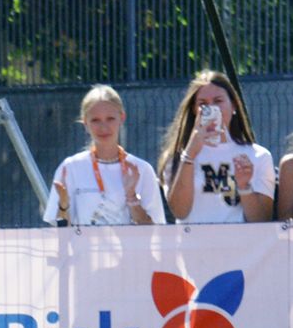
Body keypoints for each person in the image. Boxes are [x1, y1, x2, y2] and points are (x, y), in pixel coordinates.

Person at [158, 70, 274, 224]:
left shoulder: (258, 156)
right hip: (193, 245)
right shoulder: (177, 157)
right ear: (194, 110)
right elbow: (180, 212)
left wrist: (245, 187)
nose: (212, 109)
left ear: (234, 106)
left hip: (241, 245)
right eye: (203, 104)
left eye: (218, 101)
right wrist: (190, 154)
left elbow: (261, 219)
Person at [44, 85, 165, 227]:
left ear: (122, 118)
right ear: (85, 123)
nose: (103, 127)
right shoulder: (70, 168)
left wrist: (132, 198)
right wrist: (63, 206)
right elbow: (61, 231)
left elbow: (155, 231)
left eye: (110, 119)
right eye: (95, 120)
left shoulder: (141, 169)